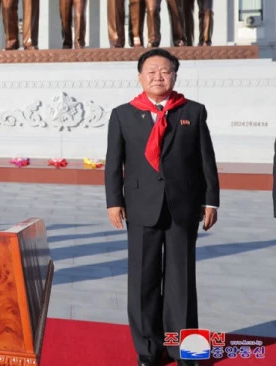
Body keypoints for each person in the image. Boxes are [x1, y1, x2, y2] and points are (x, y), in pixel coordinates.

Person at [105, 48, 219, 366]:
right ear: (140, 77)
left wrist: (210, 200)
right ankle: (148, 349)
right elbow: (114, 163)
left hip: (184, 206)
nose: (158, 76)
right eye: (151, 71)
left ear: (174, 76)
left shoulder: (192, 111)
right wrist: (114, 202)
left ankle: (183, 349)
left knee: (182, 280)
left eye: (165, 71)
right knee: (143, 279)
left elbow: (206, 160)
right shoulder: (123, 114)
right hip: (141, 205)